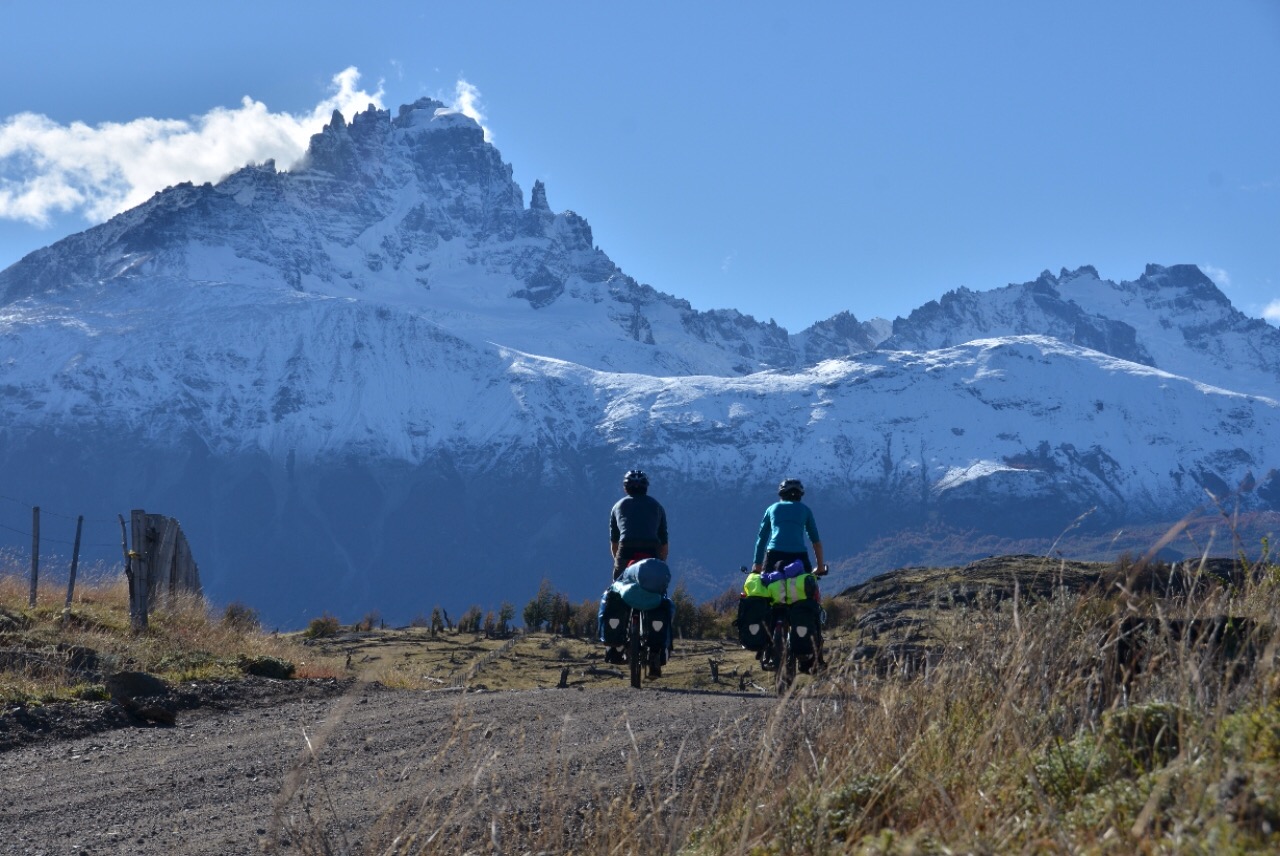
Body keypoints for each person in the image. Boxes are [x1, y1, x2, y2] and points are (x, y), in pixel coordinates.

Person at [752, 478, 824, 576]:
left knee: (768, 586)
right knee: (808, 587)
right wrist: (820, 567)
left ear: (781, 494)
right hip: (799, 556)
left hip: (774, 555)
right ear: (800, 495)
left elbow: (762, 539)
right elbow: (816, 542)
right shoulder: (805, 510)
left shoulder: (771, 509)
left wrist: (757, 564)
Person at [609, 469, 669, 581]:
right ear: (646, 487)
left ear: (625, 488)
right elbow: (664, 543)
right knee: (657, 583)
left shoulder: (617, 507)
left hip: (626, 547)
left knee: (617, 585)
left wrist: (619, 561)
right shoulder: (657, 506)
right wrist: (661, 562)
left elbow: (614, 543)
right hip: (652, 547)